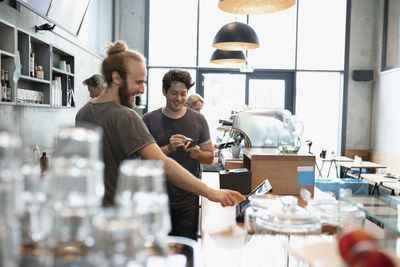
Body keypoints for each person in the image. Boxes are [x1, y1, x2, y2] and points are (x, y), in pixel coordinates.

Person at [75, 41, 243, 212]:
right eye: (138, 82)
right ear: (117, 78)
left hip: (94, 212)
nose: (141, 90)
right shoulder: (126, 116)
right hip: (122, 214)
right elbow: (162, 164)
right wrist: (210, 192)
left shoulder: (83, 113)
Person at [142, 69, 212, 240]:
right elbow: (140, 161)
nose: (179, 98)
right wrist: (168, 149)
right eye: (174, 93)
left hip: (188, 201)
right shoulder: (149, 120)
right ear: (164, 92)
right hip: (155, 201)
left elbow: (209, 158)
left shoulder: (199, 120)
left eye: (183, 93)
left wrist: (198, 154)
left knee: (185, 253)